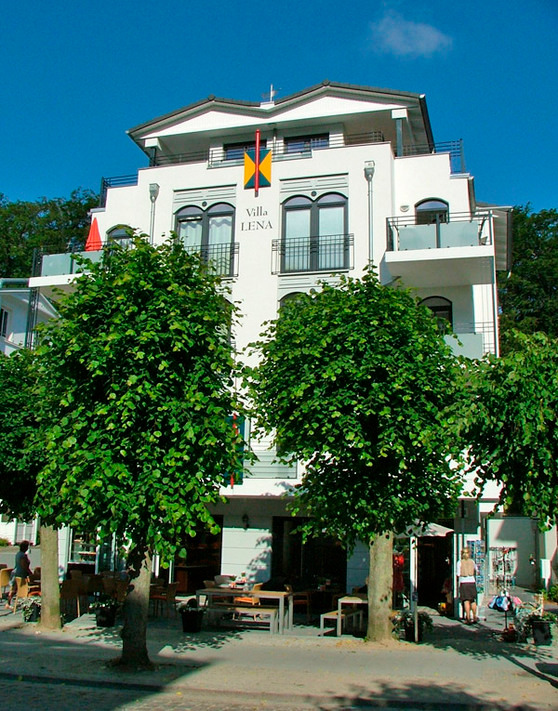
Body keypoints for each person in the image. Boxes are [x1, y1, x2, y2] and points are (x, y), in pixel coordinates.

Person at [6, 540, 33, 609]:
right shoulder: (23, 555)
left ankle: (8, 603)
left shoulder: (18, 554)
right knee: (19, 589)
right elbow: (24, 565)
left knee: (14, 589)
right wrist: (29, 572)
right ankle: (23, 603)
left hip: (17, 572)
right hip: (20, 573)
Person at [457, 546, 478, 624]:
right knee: (472, 600)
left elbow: (458, 574)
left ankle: (468, 618)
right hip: (472, 582)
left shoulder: (459, 562)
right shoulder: (472, 562)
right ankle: (475, 617)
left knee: (466, 600)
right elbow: (476, 570)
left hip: (464, 582)